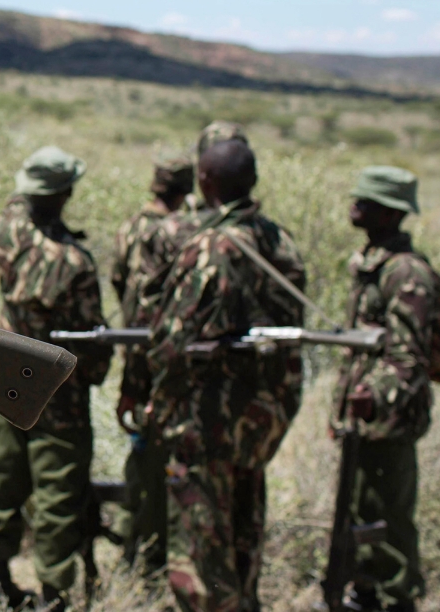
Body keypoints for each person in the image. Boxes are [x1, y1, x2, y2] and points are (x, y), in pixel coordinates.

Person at [147, 140, 306, 612]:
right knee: (244, 530)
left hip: (207, 419)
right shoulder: (278, 239)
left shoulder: (212, 245)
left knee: (201, 551)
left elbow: (174, 340)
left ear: (205, 182)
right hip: (260, 420)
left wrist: (160, 396)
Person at [0, 146, 110, 611]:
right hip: (60, 391)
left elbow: (18, 204)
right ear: (64, 193)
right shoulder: (74, 263)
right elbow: (91, 343)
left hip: (5, 373)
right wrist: (98, 368)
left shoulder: (6, 227)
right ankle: (55, 591)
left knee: (5, 475)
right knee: (58, 491)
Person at [331, 167, 440, 612]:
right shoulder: (372, 264)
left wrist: (374, 397)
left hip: (391, 422)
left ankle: (396, 598)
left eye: (365, 201)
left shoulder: (405, 273)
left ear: (389, 212)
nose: (354, 206)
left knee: (390, 520)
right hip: (365, 420)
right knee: (361, 514)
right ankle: (366, 593)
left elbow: (408, 357)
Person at [110, 155, 194, 574]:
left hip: (138, 358)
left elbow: (123, 286)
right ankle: (159, 557)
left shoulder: (130, 228)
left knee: (143, 459)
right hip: (166, 364)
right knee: (170, 464)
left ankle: (136, 550)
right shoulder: (185, 232)